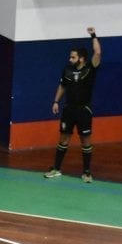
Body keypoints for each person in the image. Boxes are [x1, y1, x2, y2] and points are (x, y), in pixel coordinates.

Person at [44, 27, 102, 183]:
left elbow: (97, 53)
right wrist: (56, 101)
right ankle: (56, 169)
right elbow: (62, 86)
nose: (70, 59)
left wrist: (93, 35)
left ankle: (87, 172)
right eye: (70, 57)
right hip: (68, 109)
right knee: (63, 139)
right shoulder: (67, 70)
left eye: (73, 57)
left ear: (81, 58)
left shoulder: (90, 68)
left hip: (84, 110)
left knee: (86, 141)